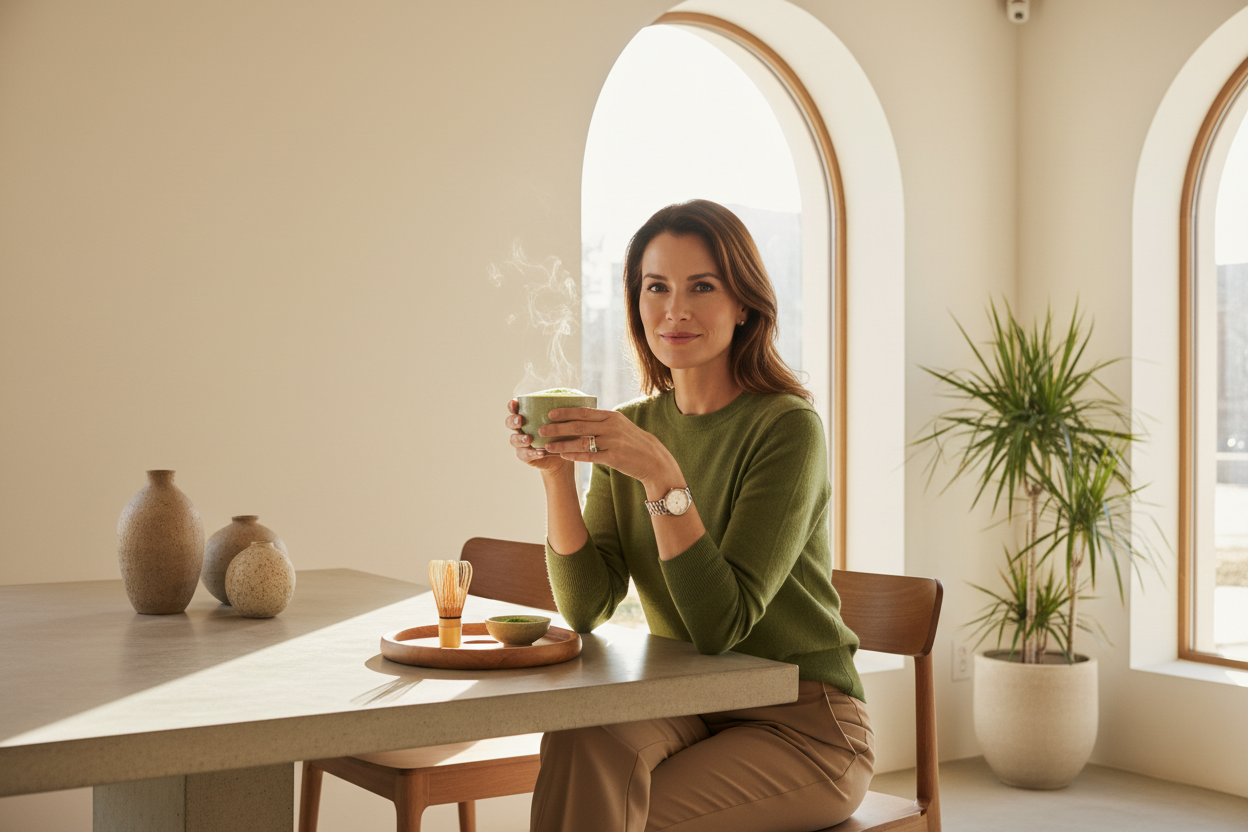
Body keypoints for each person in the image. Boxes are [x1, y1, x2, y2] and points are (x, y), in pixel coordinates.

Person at [504, 200, 873, 832]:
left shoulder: (787, 428)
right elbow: (587, 607)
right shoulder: (637, 427)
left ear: (744, 303)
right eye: (657, 287)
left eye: (702, 286)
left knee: (626, 817)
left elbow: (718, 625)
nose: (675, 309)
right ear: (637, 305)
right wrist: (559, 479)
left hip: (803, 722)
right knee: (579, 737)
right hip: (689, 704)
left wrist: (662, 475)